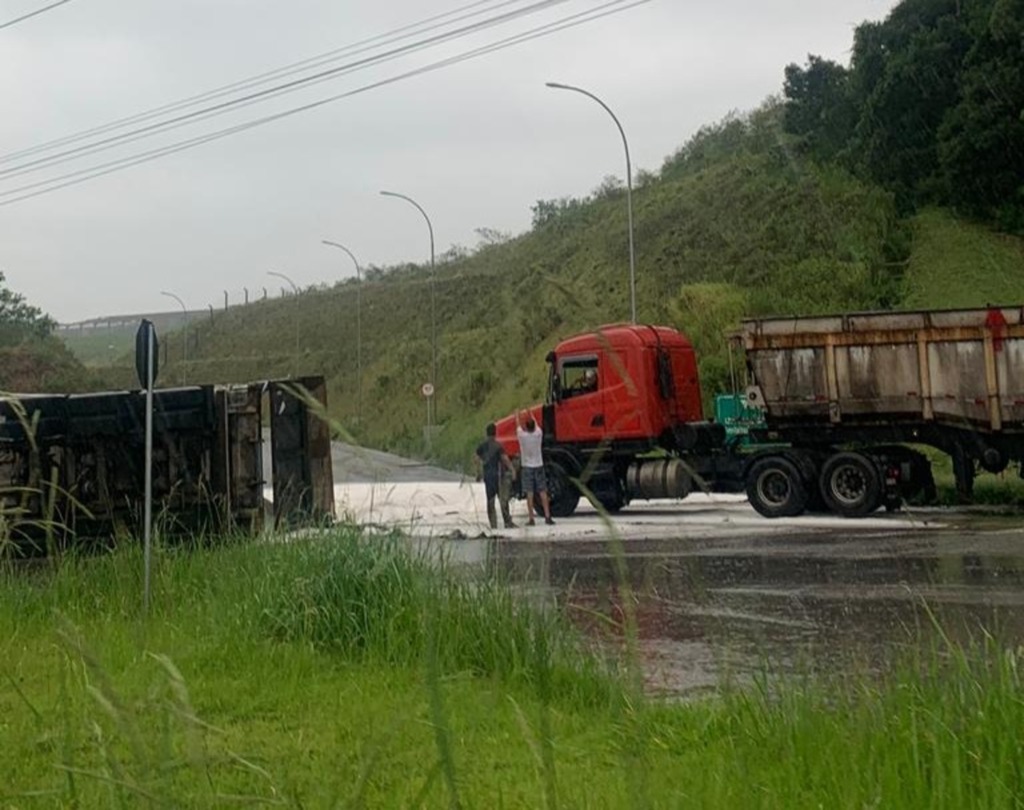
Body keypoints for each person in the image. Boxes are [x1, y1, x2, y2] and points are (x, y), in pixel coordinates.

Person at [515, 409, 554, 526]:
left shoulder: (522, 436)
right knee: (543, 491)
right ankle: (548, 516)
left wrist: (517, 415)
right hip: (539, 465)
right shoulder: (538, 434)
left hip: (527, 466)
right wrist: (530, 413)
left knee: (530, 493)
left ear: (526, 427)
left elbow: (517, 425)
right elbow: (536, 423)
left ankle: (531, 518)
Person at [474, 422, 517, 529]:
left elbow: (476, 458)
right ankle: (507, 522)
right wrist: (512, 470)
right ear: (495, 433)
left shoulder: (482, 446)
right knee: (503, 499)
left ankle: (493, 524)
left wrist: (478, 472)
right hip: (498, 476)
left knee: (490, 500)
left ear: (486, 433)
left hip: (488, 477)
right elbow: (505, 459)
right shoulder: (498, 446)